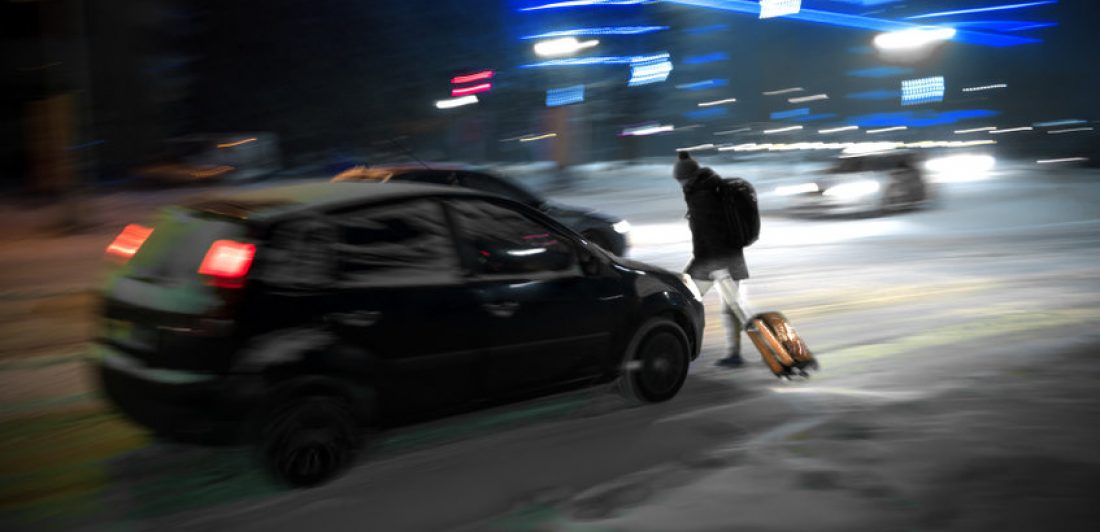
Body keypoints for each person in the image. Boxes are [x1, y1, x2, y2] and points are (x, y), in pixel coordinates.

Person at [673, 151, 750, 367]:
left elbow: (710, 236)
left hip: (716, 261)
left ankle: (678, 345)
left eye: (680, 180)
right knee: (734, 307)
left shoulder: (702, 196)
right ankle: (739, 350)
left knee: (684, 296)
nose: (679, 184)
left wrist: (701, 266)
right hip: (725, 257)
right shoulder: (709, 188)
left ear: (687, 178)